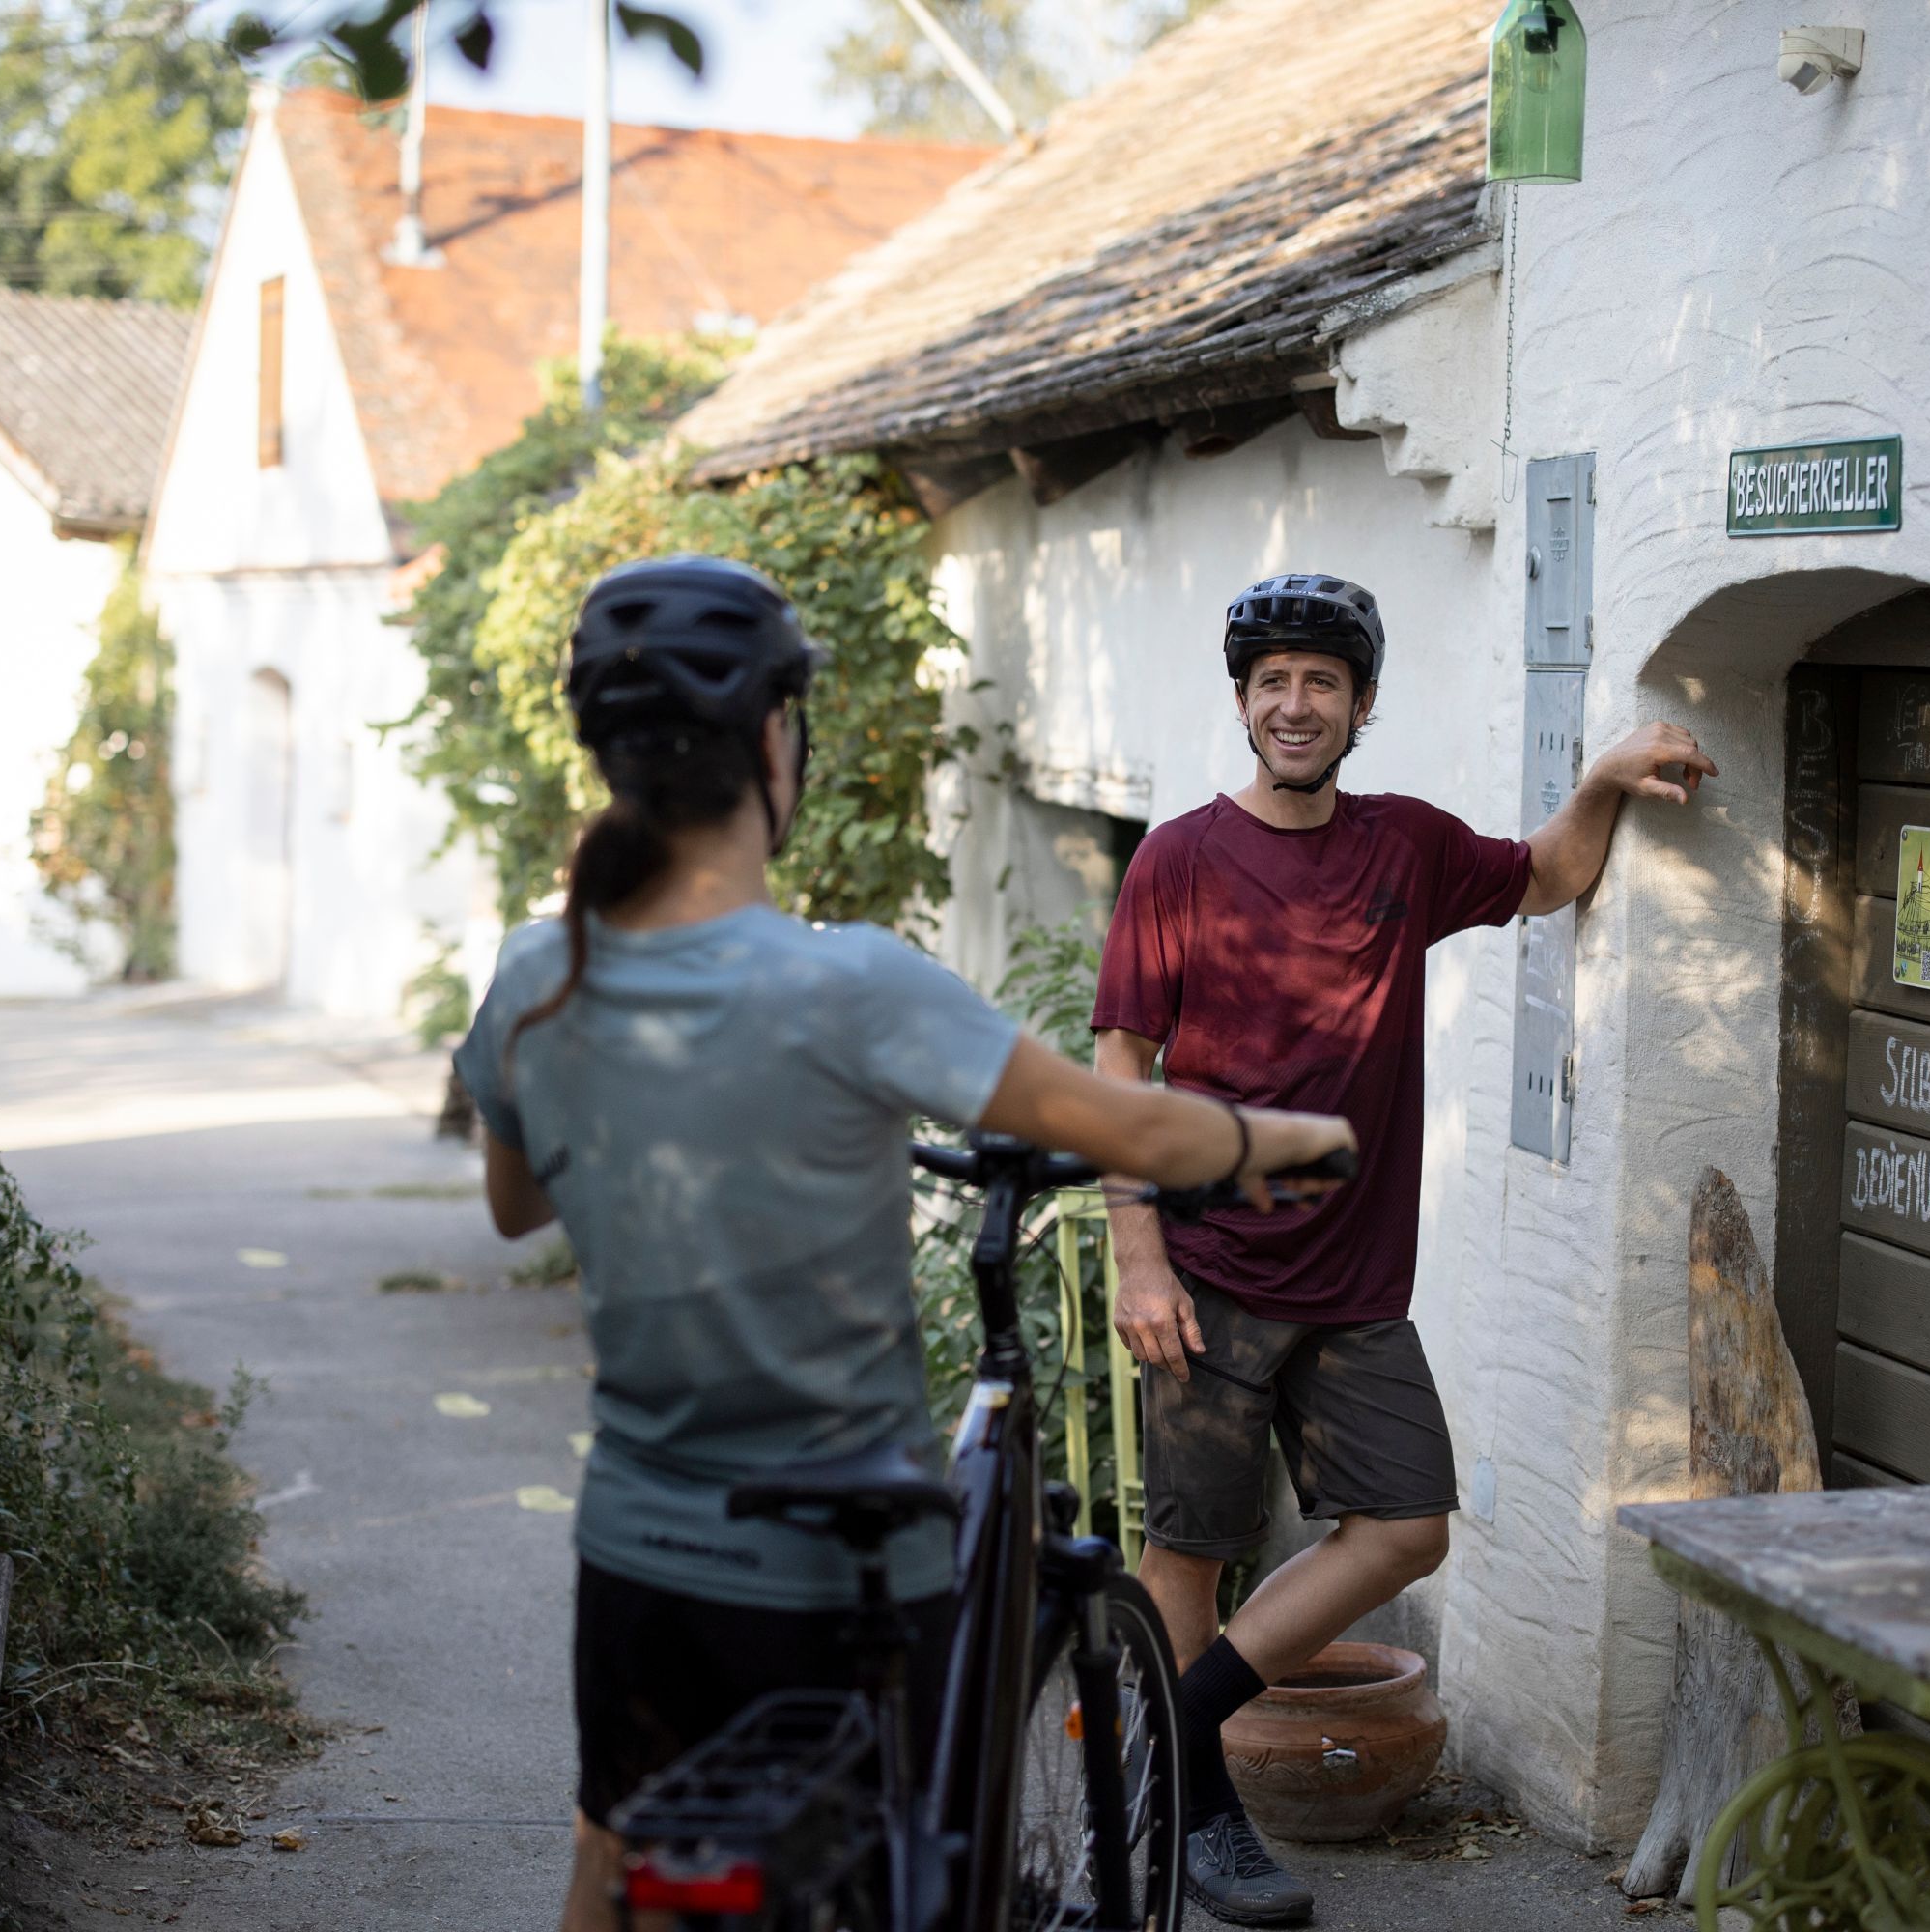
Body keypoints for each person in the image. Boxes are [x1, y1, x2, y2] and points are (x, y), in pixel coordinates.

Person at [448, 556, 1358, 1932]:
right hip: (837, 1565)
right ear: (775, 740)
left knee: (614, 1840)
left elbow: (518, 1204)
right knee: (900, 1870)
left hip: (633, 1544)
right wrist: (1289, 1143)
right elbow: (1127, 1126)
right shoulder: (853, 986)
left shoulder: (537, 973)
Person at [1093, 571, 1715, 1926]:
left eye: (1322, 682)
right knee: (1190, 1550)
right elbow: (1121, 1063)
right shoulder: (1177, 862)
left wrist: (1602, 775)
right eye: (1273, 684)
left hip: (1357, 1285)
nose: (1295, 704)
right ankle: (1196, 1814)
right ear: (1244, 704)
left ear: (1361, 705)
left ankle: (1180, 1732)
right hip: (1206, 1271)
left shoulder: (1407, 847)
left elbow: (1549, 875)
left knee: (1406, 1528)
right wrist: (1136, 1252)